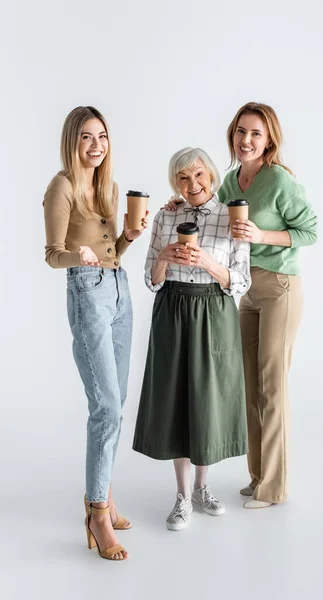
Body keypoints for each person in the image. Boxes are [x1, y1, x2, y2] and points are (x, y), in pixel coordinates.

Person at [165, 103, 317, 509]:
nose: (246, 140)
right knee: (249, 386)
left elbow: (310, 231)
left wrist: (262, 234)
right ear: (232, 135)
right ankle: (257, 477)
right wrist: (175, 204)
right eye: (241, 132)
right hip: (243, 291)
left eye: (256, 134)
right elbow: (208, 206)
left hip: (280, 286)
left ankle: (273, 487)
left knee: (272, 386)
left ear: (269, 140)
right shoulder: (232, 180)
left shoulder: (281, 181)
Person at [43, 106, 148, 560]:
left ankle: (99, 495)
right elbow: (52, 254)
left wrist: (127, 236)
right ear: (73, 141)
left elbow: (115, 254)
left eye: (102, 136)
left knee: (116, 403)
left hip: (120, 290)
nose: (96, 145)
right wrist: (77, 255)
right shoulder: (62, 187)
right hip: (87, 294)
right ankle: (97, 514)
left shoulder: (109, 187)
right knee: (105, 406)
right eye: (87, 137)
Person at [133, 147, 250, 530]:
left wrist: (208, 263)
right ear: (174, 183)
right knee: (175, 399)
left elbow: (241, 280)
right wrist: (165, 258)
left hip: (214, 312)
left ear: (211, 176)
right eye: (182, 178)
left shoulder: (232, 217)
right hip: (172, 310)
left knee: (207, 401)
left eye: (198, 175)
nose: (192, 184)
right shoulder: (166, 215)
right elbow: (152, 279)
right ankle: (182, 495)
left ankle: (203, 487)